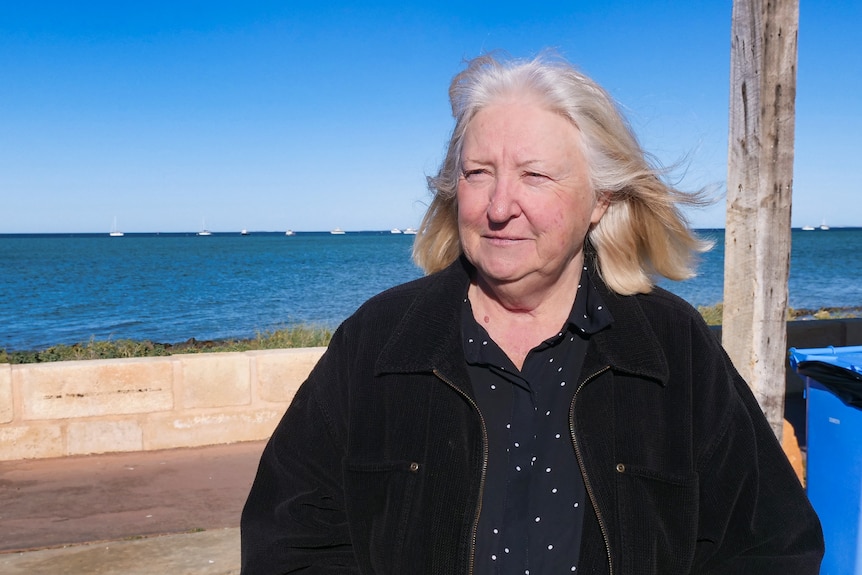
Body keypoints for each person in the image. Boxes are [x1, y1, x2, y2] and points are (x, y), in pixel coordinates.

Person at [241, 53, 824, 574]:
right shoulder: (376, 344)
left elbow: (772, 544)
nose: (499, 206)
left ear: (602, 200)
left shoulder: (673, 348)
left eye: (534, 175)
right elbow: (288, 542)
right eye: (478, 174)